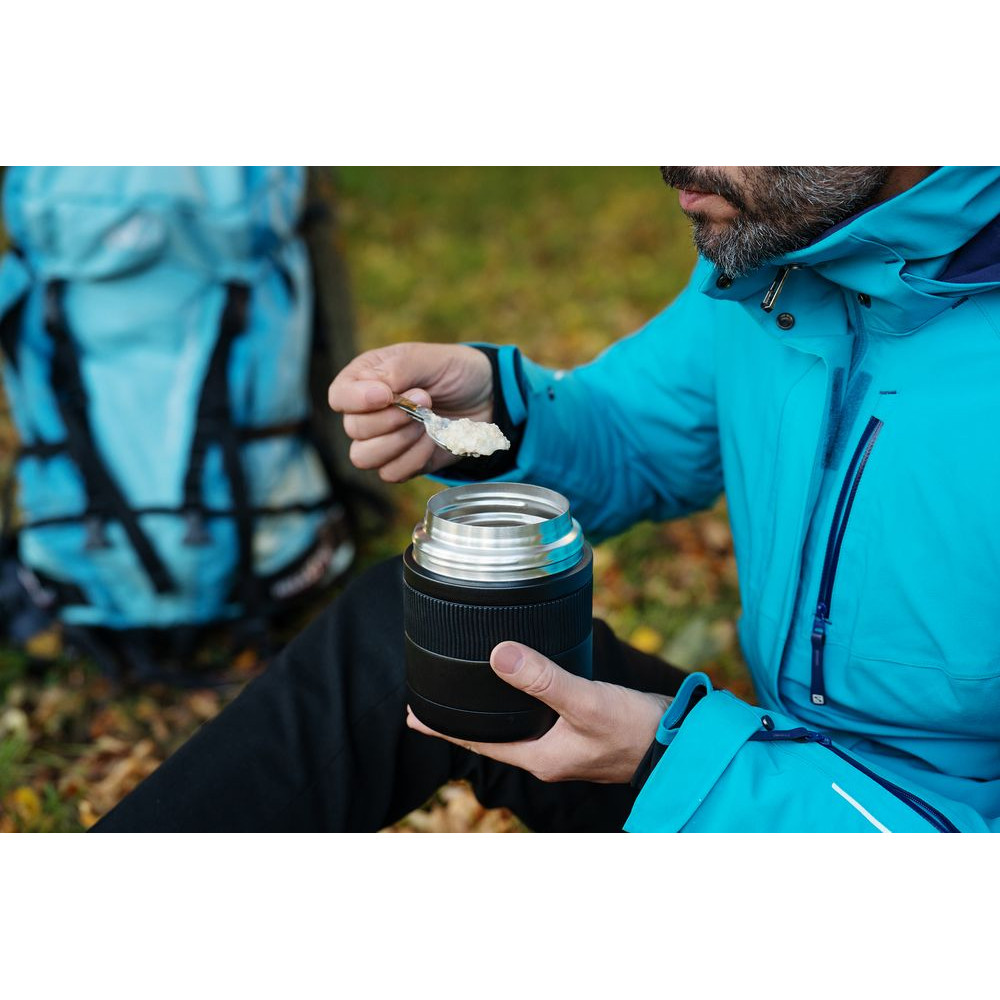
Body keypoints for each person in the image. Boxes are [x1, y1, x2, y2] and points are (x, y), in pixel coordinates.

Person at [95, 165, 1000, 832]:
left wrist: (684, 765)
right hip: (777, 768)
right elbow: (644, 432)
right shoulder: (791, 252)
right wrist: (499, 414)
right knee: (416, 634)